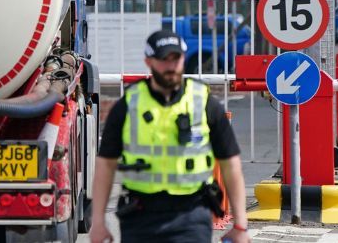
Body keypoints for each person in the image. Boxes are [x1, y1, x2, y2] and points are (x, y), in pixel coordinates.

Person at [89, 30, 250, 243]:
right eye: (164, 59)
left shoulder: (204, 103)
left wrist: (240, 224)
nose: (171, 66)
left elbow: (231, 165)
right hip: (140, 217)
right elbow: (105, 166)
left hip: (191, 215)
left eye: (176, 58)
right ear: (149, 61)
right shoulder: (128, 105)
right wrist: (98, 222)